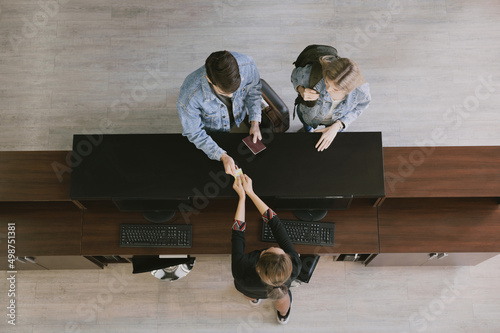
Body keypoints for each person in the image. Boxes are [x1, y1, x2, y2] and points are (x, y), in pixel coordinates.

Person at [177, 51, 263, 176]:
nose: (231, 96)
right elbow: (194, 132)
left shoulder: (248, 64)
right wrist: (222, 156)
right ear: (209, 80)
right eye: (224, 93)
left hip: (237, 116)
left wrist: (255, 122)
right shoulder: (188, 96)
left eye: (235, 90)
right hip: (212, 130)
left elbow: (254, 91)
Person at [231, 174, 302, 325]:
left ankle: (255, 300)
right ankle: (283, 315)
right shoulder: (295, 265)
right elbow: (275, 225)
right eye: (282, 252)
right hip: (277, 291)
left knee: (248, 294)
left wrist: (244, 197)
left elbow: (239, 234)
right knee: (281, 298)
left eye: (275, 249)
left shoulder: (241, 272)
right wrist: (250, 193)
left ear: (260, 257)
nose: (280, 248)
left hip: (249, 288)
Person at [291, 56, 371, 151]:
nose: (328, 89)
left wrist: (338, 125)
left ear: (349, 89)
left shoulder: (361, 91)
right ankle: (307, 131)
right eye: (326, 81)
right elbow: (294, 76)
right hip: (308, 115)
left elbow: (360, 108)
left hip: (335, 122)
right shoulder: (309, 72)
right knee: (307, 128)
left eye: (335, 89)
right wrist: (301, 90)